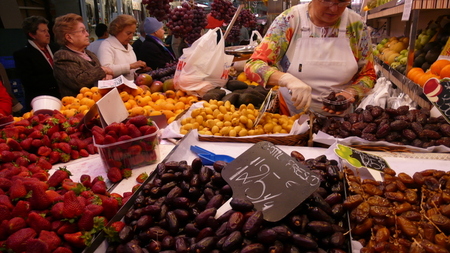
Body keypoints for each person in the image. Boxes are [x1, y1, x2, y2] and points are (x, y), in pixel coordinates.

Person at [244, 0, 377, 116]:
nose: (334, 8)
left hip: (342, 122)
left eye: (342, 2)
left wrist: (351, 92)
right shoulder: (290, 20)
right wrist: (286, 79)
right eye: (327, 1)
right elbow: (254, 65)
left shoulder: (356, 25)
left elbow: (368, 74)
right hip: (291, 117)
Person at [52, 13, 113, 97]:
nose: (87, 34)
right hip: (80, 106)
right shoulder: (62, 56)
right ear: (69, 37)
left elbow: (100, 75)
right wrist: (103, 70)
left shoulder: (90, 54)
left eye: (86, 31)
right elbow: (79, 81)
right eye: (82, 31)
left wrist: (107, 77)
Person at [13, 16, 61, 110]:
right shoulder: (22, 55)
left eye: (47, 30)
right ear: (32, 34)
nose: (48, 34)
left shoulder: (56, 47)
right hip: (42, 102)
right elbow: (30, 81)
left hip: (62, 98)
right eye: (43, 31)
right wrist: (60, 77)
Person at [97, 15, 147, 80]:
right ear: (117, 30)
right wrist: (131, 66)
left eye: (133, 33)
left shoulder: (128, 46)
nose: (131, 37)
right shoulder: (106, 45)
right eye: (128, 33)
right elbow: (106, 69)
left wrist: (139, 69)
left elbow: (131, 70)